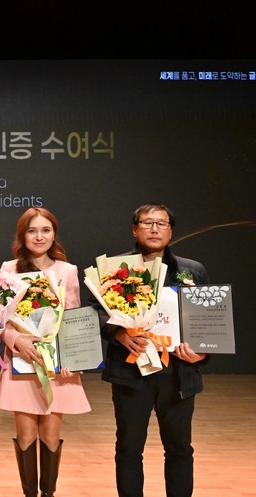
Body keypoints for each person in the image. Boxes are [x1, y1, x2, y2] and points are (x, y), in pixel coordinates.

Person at [99, 203, 209, 497]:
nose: (154, 229)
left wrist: (201, 352)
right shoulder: (114, 269)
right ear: (135, 230)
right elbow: (96, 313)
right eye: (147, 223)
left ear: (170, 231)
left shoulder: (192, 270)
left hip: (178, 372)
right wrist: (119, 333)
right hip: (131, 371)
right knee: (129, 447)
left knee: (179, 448)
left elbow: (208, 319)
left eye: (161, 223)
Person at [0, 207, 90, 497]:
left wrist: (73, 358)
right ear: (22, 235)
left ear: (54, 234)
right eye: (32, 231)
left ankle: (48, 493)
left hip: (55, 366)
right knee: (26, 436)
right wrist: (16, 340)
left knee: (50, 435)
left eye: (45, 230)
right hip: (22, 361)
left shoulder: (67, 271)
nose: (39, 236)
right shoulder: (9, 269)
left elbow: (71, 318)